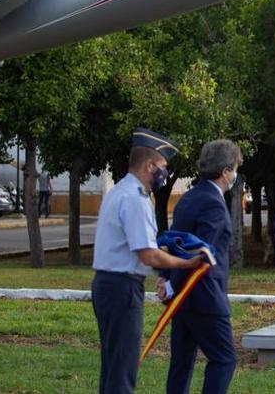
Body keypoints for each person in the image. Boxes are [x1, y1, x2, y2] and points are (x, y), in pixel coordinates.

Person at [92, 128, 203, 394]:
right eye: (163, 167)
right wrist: (185, 263)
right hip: (122, 288)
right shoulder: (136, 198)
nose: (165, 173)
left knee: (113, 366)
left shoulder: (119, 191)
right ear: (150, 165)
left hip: (108, 284)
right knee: (122, 371)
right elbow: (147, 253)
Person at [158, 139, 243, 394]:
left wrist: (166, 279)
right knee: (224, 359)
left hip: (183, 299)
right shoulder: (214, 204)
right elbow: (200, 254)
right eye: (235, 168)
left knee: (182, 363)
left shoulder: (189, 197)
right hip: (204, 294)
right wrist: (172, 284)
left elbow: (175, 239)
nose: (236, 174)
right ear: (225, 172)